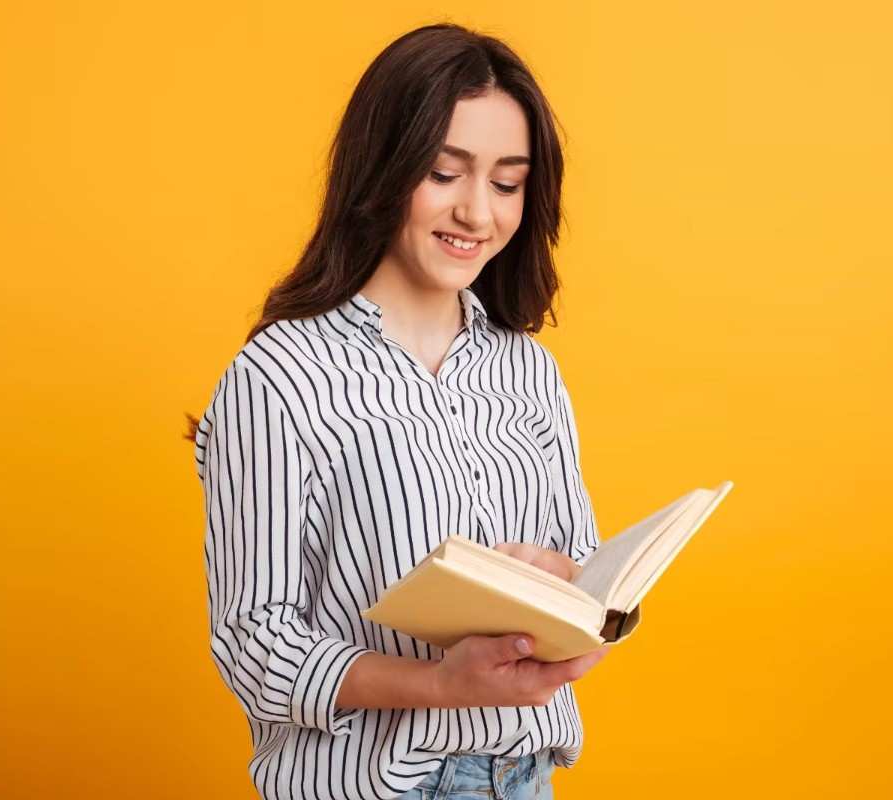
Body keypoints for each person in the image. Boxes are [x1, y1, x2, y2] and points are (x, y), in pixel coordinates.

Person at [184, 22, 607, 800]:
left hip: (526, 780)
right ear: (383, 170)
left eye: (507, 184)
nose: (478, 214)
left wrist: (575, 592)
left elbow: (588, 580)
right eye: (446, 173)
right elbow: (254, 645)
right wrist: (441, 685)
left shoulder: (530, 373)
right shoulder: (279, 376)